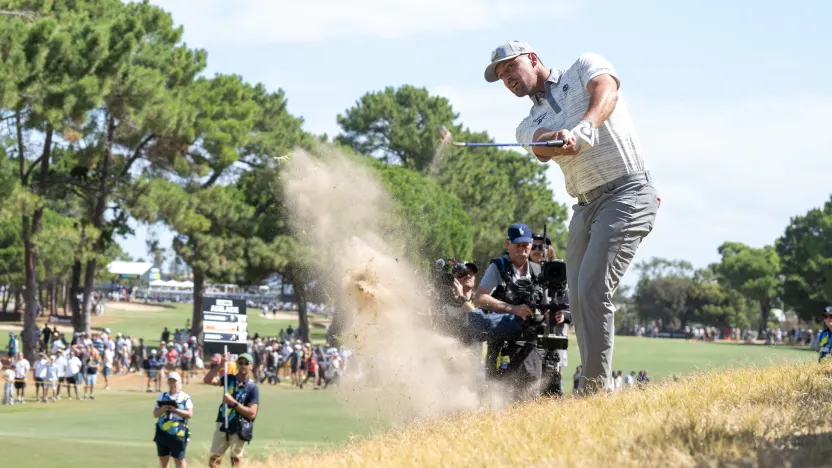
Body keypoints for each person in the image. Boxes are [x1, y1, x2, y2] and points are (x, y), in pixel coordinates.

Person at [484, 41, 660, 394]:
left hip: (627, 192)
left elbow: (605, 89)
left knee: (594, 290)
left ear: (533, 60)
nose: (507, 79)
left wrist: (586, 125)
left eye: (510, 69)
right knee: (578, 299)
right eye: (501, 77)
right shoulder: (527, 121)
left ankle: (593, 391)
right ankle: (593, 384)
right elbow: (539, 146)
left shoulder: (583, 67)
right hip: (584, 207)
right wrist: (559, 137)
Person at [203, 352, 260, 468]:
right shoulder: (228, 379)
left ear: (251, 366)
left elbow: (252, 414)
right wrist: (220, 365)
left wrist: (233, 403)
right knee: (214, 460)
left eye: (246, 363)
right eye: (240, 362)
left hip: (238, 427)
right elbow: (207, 380)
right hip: (223, 424)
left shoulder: (252, 387)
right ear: (237, 364)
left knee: (235, 461)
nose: (243, 365)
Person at [153, 372, 193, 468]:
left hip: (178, 432)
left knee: (179, 459)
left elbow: (189, 414)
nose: (172, 384)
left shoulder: (185, 397)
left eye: (174, 381)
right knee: (163, 459)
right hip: (162, 432)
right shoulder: (162, 396)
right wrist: (163, 409)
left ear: (179, 382)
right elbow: (155, 414)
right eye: (170, 381)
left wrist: (175, 410)